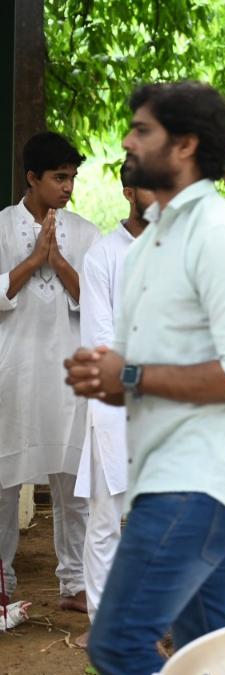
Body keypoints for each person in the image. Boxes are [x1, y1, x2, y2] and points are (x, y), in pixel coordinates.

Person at [67, 81, 225, 675]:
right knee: (205, 660)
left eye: (142, 130)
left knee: (119, 642)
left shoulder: (220, 235)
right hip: (165, 469)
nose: (128, 142)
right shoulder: (153, 238)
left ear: (184, 145)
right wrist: (109, 371)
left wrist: (126, 376)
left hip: (203, 475)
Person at [0, 131, 98, 615]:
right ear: (32, 178)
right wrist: (32, 260)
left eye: (73, 177)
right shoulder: (0, 228)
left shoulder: (85, 233)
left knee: (72, 482)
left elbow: (97, 304)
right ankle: (2, 583)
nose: (68, 187)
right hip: (12, 373)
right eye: (60, 177)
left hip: (68, 375)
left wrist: (56, 259)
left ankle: (75, 582)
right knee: (3, 483)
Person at [70, 164, 155, 648]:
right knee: (107, 518)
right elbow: (99, 338)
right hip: (116, 402)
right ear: (128, 192)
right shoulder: (103, 254)